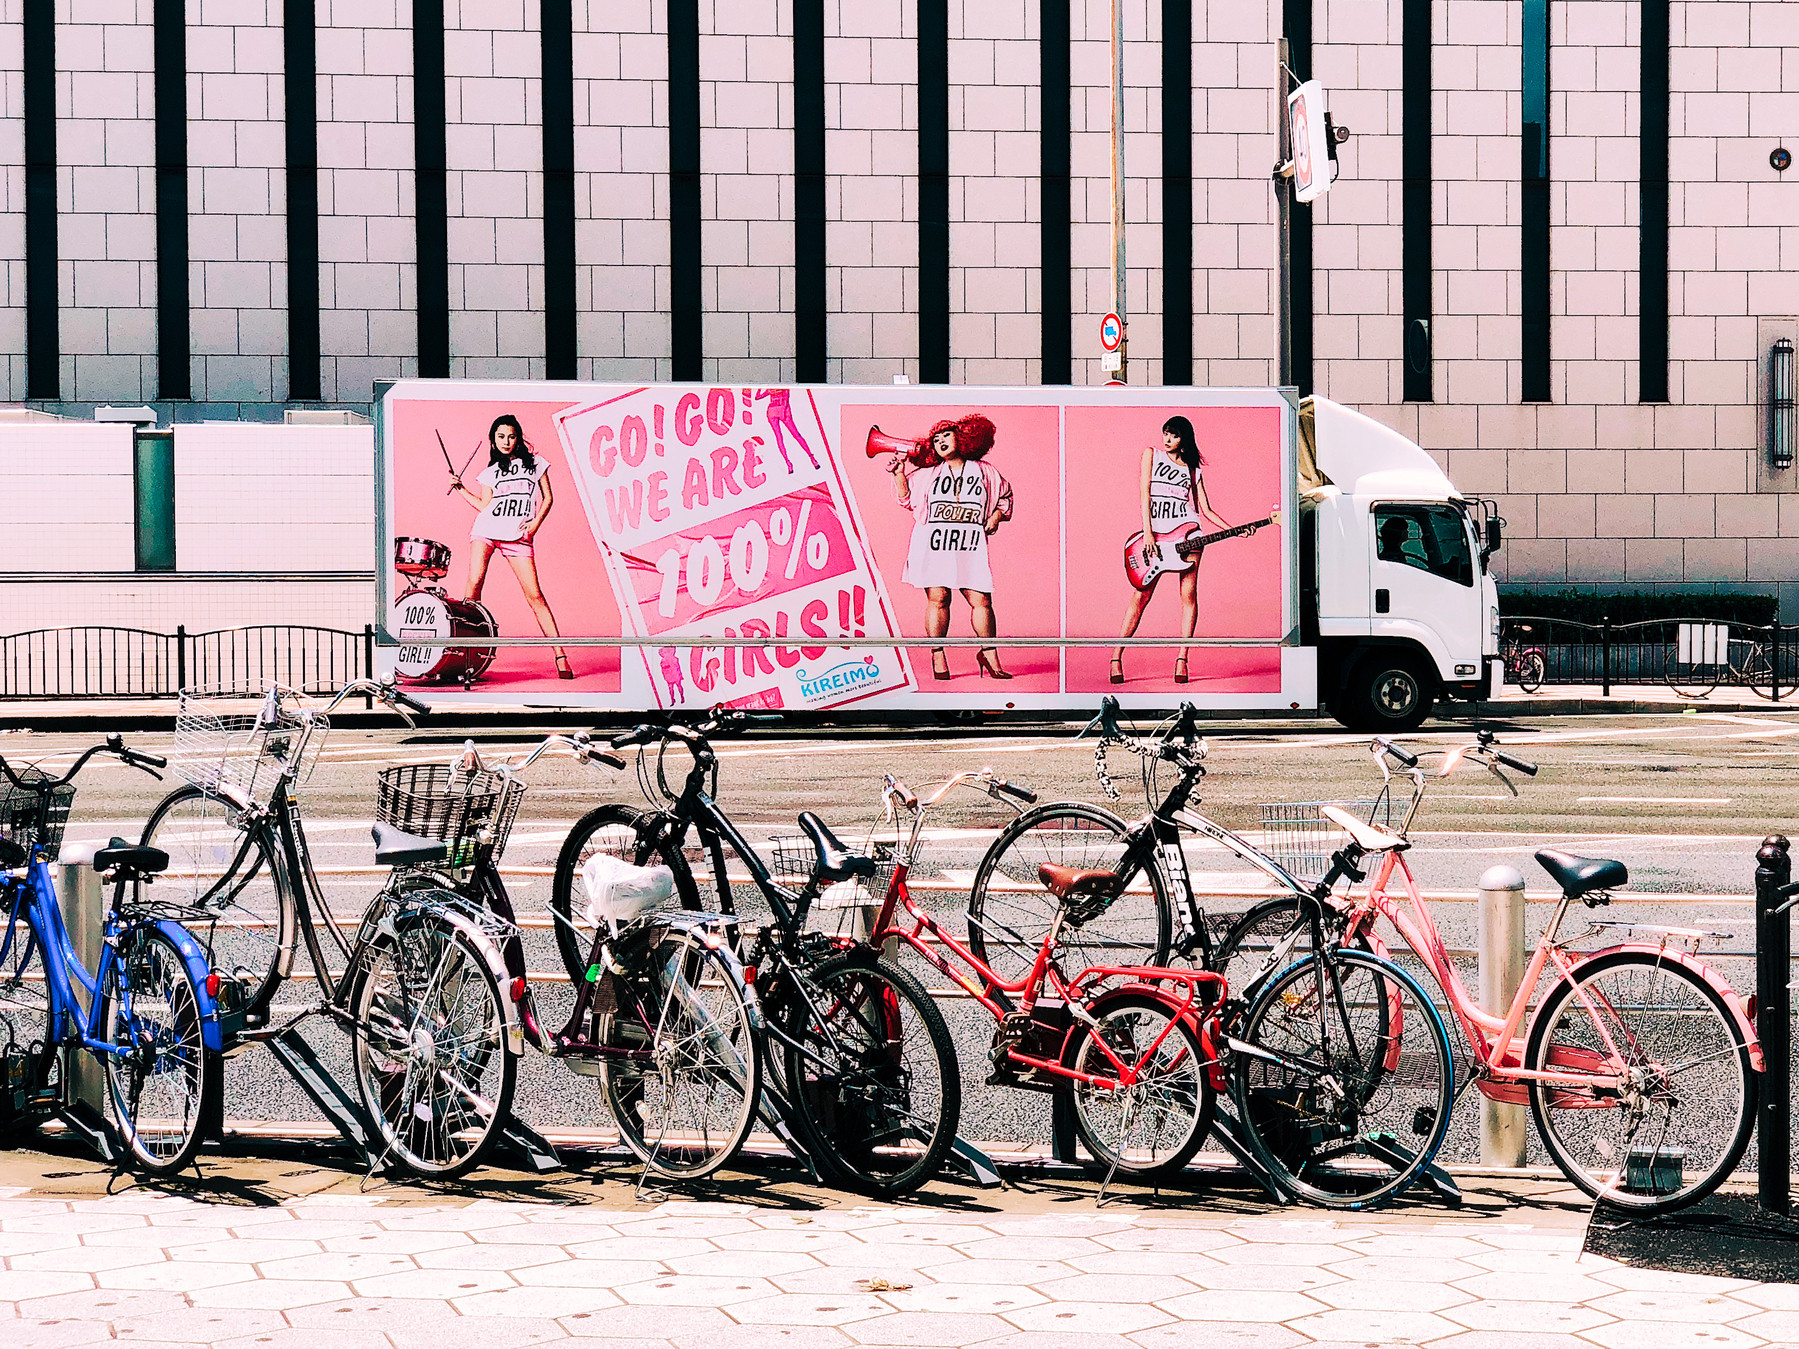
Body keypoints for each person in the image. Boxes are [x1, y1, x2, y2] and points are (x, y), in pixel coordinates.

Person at [448, 414, 574, 680]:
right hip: (486, 531)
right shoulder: (489, 473)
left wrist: (536, 524)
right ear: (493, 440)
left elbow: (548, 498)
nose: (506, 441)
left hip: (518, 537)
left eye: (511, 436)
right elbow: (485, 506)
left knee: (535, 596)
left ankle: (560, 655)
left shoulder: (536, 464)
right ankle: (468, 655)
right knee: (474, 585)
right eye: (501, 436)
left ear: (518, 438)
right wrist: (460, 489)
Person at [1112, 415, 1235, 686]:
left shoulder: (1193, 469)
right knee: (1141, 596)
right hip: (1156, 536)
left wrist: (1233, 528)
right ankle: (1116, 657)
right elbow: (1144, 494)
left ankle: (1182, 658)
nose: (1167, 439)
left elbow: (1206, 509)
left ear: (1184, 439)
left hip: (1190, 533)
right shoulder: (1151, 455)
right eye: (1166, 433)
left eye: (1174, 435)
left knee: (1188, 594)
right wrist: (1147, 534)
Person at [890, 414, 1014, 680]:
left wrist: (995, 517)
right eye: (935, 439)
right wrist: (899, 474)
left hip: (969, 546)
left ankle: (989, 654)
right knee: (939, 599)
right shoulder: (926, 474)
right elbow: (906, 500)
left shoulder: (985, 471)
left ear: (964, 437)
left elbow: (1005, 496)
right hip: (933, 546)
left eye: (946, 435)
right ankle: (937, 655)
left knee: (982, 601)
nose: (941, 441)